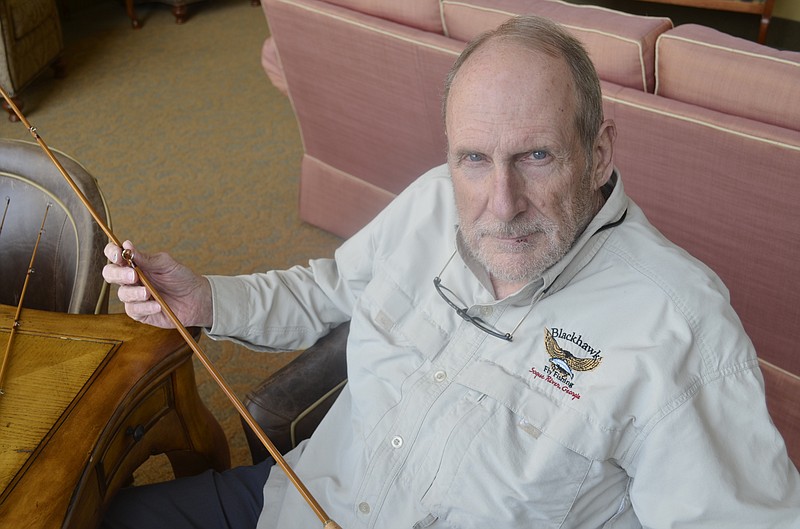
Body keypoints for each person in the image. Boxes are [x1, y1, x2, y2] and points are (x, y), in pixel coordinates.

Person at [101, 15, 800, 529]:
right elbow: (328, 290)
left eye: (537, 157)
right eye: (473, 158)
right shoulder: (434, 200)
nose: (501, 204)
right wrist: (209, 297)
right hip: (302, 497)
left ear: (599, 152)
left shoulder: (682, 328)